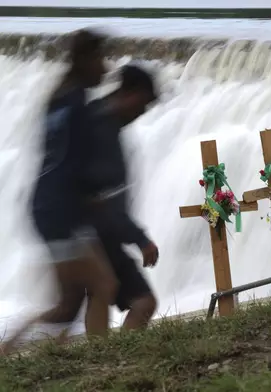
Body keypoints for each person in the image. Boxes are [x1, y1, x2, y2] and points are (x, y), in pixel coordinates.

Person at [2, 28, 117, 354]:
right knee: (101, 286)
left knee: (69, 302)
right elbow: (77, 164)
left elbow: (56, 157)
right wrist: (97, 199)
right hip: (60, 211)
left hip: (48, 205)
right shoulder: (77, 103)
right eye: (101, 59)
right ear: (85, 59)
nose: (106, 68)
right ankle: (98, 358)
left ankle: (20, 349)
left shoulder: (60, 97)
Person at [82, 64, 160, 332]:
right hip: (98, 231)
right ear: (133, 94)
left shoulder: (94, 118)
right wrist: (140, 239)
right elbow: (104, 196)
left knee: (98, 292)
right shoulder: (102, 128)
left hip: (84, 230)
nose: (142, 113)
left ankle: (98, 361)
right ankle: (114, 361)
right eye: (144, 104)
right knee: (143, 301)